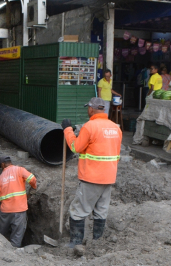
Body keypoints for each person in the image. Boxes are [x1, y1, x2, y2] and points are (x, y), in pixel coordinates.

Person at [61, 97, 122, 248]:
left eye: (87, 108)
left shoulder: (90, 127)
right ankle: (97, 243)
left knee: (78, 211)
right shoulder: (116, 128)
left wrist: (68, 130)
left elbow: (76, 147)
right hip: (108, 176)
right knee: (101, 210)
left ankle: (75, 244)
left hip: (92, 177)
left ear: (91, 109)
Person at [0, 155, 37, 248]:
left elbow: (1, 198)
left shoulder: (0, 178)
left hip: (5, 211)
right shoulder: (19, 170)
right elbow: (32, 179)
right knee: (17, 236)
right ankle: (15, 254)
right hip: (19, 209)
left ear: (2, 164)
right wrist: (33, 188)